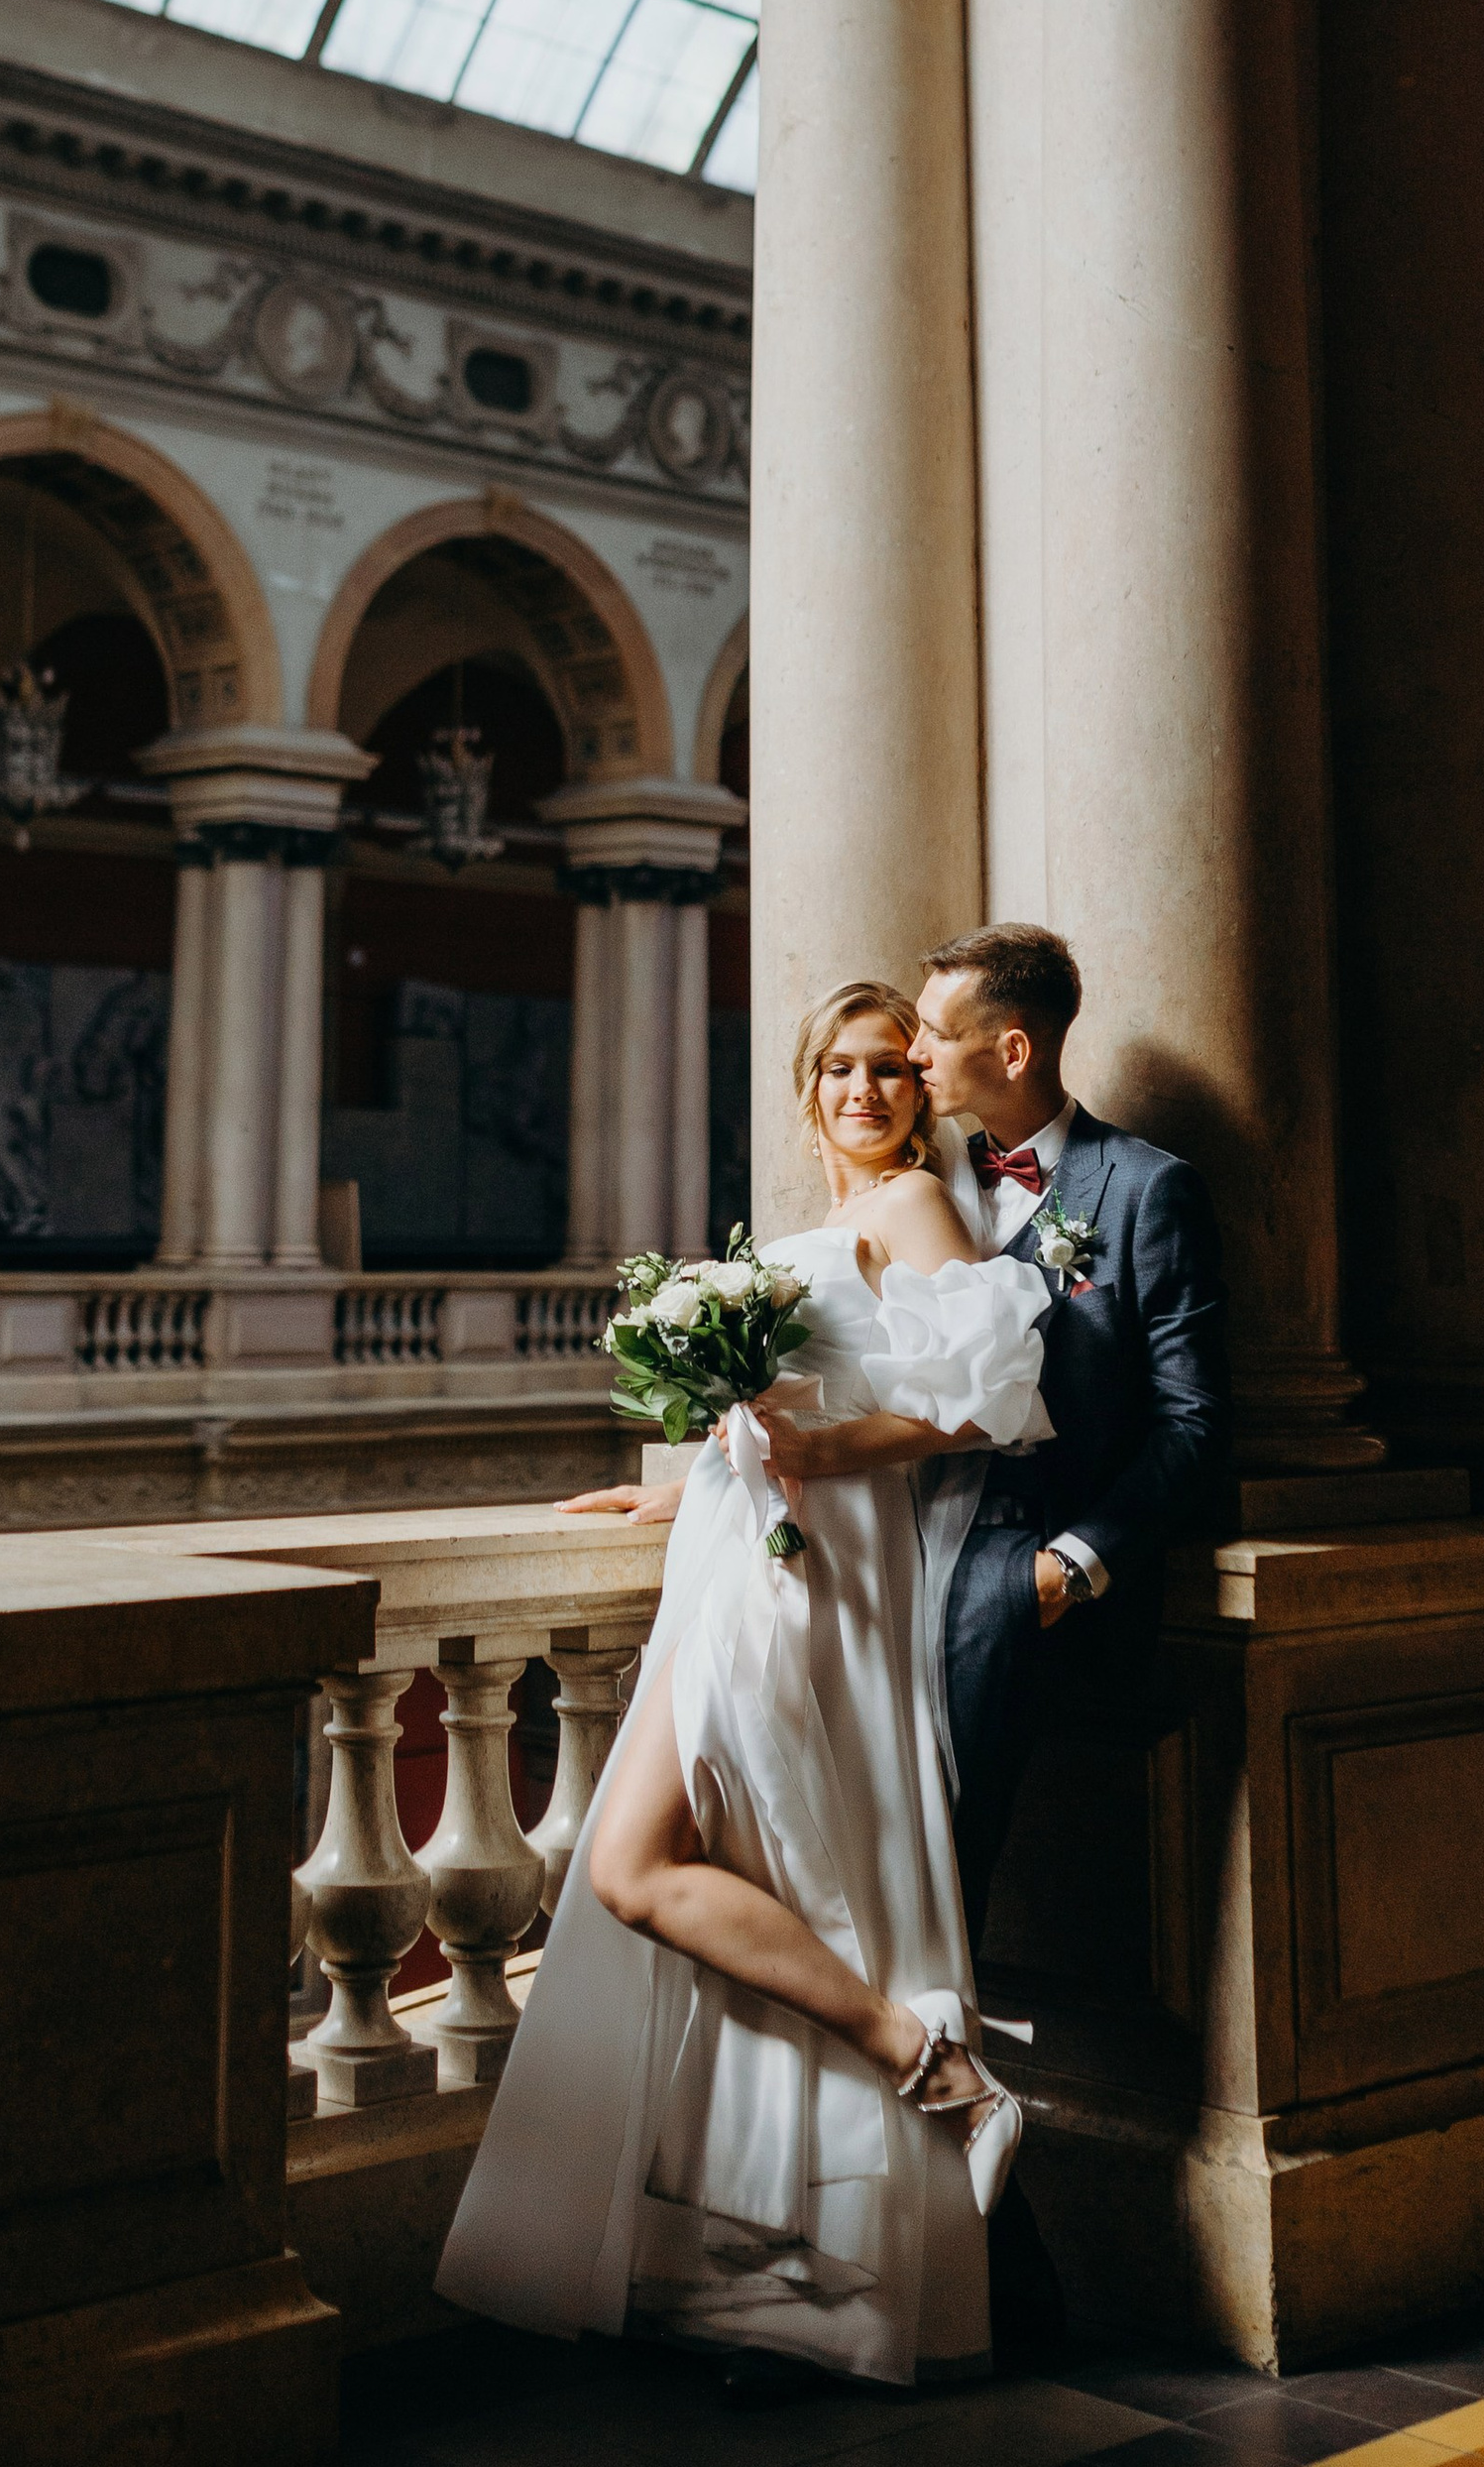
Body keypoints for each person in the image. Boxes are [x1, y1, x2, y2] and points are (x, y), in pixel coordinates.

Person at [434, 984, 1056, 2390]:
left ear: (920, 1089)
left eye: (892, 1066)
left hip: (813, 1573)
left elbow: (986, 1401)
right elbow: (758, 1412)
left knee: (638, 1863)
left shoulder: (908, 1207)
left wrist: (828, 1459)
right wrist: (673, 1493)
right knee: (735, 1863)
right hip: (736, 1551)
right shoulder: (800, 1230)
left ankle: (937, 2069)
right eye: (839, 1066)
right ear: (804, 1085)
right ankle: (813, 2226)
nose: (865, 1088)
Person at [906, 919, 1232, 2349]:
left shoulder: (1144, 1190)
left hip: (1011, 1593)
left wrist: (1075, 1564)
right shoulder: (910, 1187)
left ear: (1012, 1047)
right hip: (883, 1574)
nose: (913, 1056)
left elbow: (1191, 1425)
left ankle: (971, 2274)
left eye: (934, 1032)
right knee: (870, 1902)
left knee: (928, 1913)